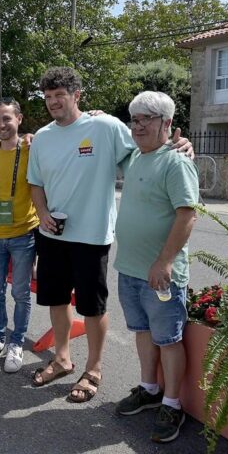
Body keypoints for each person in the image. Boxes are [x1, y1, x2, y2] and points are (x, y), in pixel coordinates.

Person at [27, 67, 192, 403]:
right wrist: (42, 214)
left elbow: (146, 147)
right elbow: (36, 183)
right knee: (56, 300)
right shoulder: (42, 136)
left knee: (93, 306)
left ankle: (94, 368)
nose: (54, 102)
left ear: (77, 96)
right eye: (48, 97)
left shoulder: (105, 126)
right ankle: (61, 358)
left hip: (92, 236)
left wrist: (180, 143)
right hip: (54, 235)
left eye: (60, 95)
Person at [112, 91, 199, 443]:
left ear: (167, 123)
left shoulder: (176, 161)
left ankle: (173, 404)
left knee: (169, 340)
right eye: (135, 118)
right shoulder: (134, 156)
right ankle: (149, 388)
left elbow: (187, 215)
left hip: (162, 275)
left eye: (147, 118)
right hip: (130, 269)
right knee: (143, 332)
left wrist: (164, 262)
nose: (138, 125)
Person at [0, 98, 39, 373]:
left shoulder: (31, 148)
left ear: (19, 119)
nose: (1, 124)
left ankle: (17, 343)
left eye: (6, 118)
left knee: (21, 292)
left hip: (24, 233)